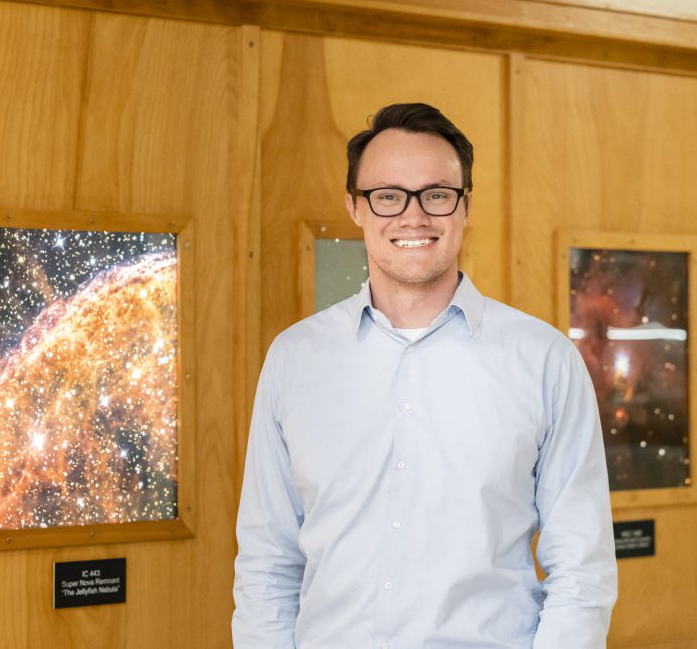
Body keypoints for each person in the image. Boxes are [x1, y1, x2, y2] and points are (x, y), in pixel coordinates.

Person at [232, 103, 617, 648]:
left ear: (465, 207)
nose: (413, 217)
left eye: (436, 195)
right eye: (388, 196)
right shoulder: (295, 358)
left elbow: (582, 570)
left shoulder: (544, 360)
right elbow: (268, 561)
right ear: (355, 207)